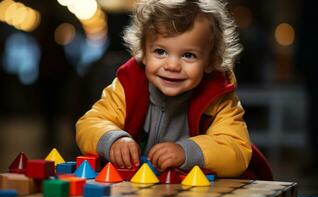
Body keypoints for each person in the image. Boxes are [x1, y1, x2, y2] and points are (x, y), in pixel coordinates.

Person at [76, 0, 252, 177]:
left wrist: (187, 152)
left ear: (210, 61)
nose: (172, 65)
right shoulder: (128, 86)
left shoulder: (218, 98)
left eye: (188, 55)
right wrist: (113, 139)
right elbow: (89, 123)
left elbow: (236, 148)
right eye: (160, 52)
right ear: (143, 53)